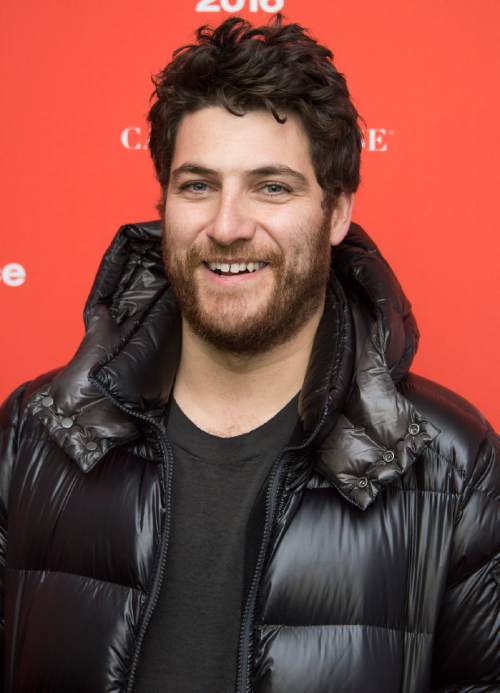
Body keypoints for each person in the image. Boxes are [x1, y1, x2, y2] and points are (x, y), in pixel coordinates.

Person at [0, 13, 498, 693]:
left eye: (272, 186)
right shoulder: (32, 433)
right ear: (164, 203)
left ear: (337, 212)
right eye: (198, 185)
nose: (227, 225)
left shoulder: (454, 464)